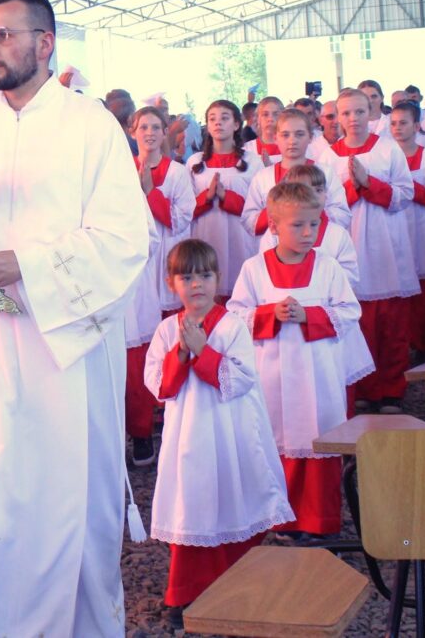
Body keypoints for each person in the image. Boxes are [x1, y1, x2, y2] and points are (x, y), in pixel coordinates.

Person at [0, 0, 149, 635]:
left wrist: (25, 265)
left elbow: (123, 240)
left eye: (5, 35)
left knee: (65, 505)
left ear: (45, 44)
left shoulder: (89, 126)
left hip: (64, 355)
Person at [145, 239, 293, 628]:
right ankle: (184, 594)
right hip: (188, 437)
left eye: (206, 275)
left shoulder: (231, 326)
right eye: (187, 276)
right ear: (171, 282)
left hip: (229, 432)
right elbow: (159, 385)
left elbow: (241, 378)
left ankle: (238, 587)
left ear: (218, 279)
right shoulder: (164, 330)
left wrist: (204, 351)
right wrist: (182, 352)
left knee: (231, 498)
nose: (197, 284)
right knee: (191, 506)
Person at [228, 182, 372, 538]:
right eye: (298, 225)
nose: (309, 233)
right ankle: (282, 519)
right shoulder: (253, 269)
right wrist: (268, 314)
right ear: (273, 226)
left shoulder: (328, 267)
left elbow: (349, 312)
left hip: (317, 374)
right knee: (276, 442)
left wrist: (309, 316)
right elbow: (236, 315)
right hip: (272, 374)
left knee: (318, 438)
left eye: (314, 223)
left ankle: (320, 521)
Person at [317, 88, 417, 413]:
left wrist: (370, 183)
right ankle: (363, 385)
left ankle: (390, 388)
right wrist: (354, 185)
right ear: (337, 117)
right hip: (349, 244)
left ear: (371, 111)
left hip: (386, 244)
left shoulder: (388, 149)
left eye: (360, 111)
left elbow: (405, 193)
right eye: (345, 113)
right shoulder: (328, 157)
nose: (353, 119)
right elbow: (324, 206)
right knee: (357, 323)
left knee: (391, 323)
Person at [127, 106, 193, 467]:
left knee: (167, 340)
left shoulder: (179, 173)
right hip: (138, 267)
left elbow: (183, 220)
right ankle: (142, 419)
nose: (149, 133)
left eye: (156, 126)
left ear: (166, 131)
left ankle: (165, 408)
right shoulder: (122, 168)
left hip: (166, 257)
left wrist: (152, 193)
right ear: (132, 131)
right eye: (143, 127)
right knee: (139, 343)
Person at [387, 101, 425, 356]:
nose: (397, 128)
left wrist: (404, 188)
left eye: (403, 123)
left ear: (416, 125)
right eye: (393, 123)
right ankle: (403, 345)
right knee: (399, 294)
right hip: (396, 232)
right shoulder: (385, 157)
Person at [187, 100, 263, 302]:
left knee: (242, 294)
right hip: (205, 235)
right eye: (212, 119)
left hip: (240, 238)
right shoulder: (195, 162)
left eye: (224, 118)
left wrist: (226, 197)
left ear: (237, 124)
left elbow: (260, 207)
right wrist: (206, 197)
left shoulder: (252, 161)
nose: (217, 123)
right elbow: (184, 209)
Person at [241, 109, 350, 239]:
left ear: (310, 137)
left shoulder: (325, 172)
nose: (292, 141)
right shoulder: (263, 177)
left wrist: (310, 211)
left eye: (299, 134)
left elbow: (343, 215)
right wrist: (279, 209)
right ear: (275, 138)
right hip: (275, 251)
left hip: (319, 248)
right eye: (285, 135)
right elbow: (249, 222)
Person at [258, 163, 359, 286]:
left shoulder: (338, 234)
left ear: (326, 194)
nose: (312, 195)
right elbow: (264, 272)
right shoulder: (275, 234)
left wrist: (316, 284)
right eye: (304, 190)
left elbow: (350, 276)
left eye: (318, 190)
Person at [247, 96, 284, 164]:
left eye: (276, 114)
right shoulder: (247, 149)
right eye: (265, 114)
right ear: (258, 119)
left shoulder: (291, 146)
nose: (270, 119)